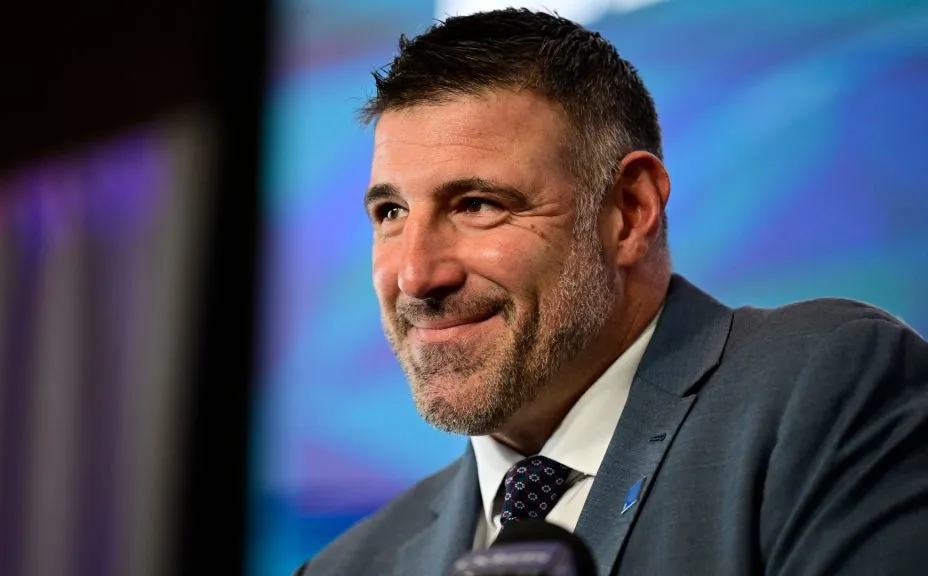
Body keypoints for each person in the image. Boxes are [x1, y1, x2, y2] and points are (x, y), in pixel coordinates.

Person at [298, 8, 928, 575]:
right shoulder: (348, 566)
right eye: (390, 213)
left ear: (629, 210)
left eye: (477, 204)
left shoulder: (825, 391)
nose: (414, 275)